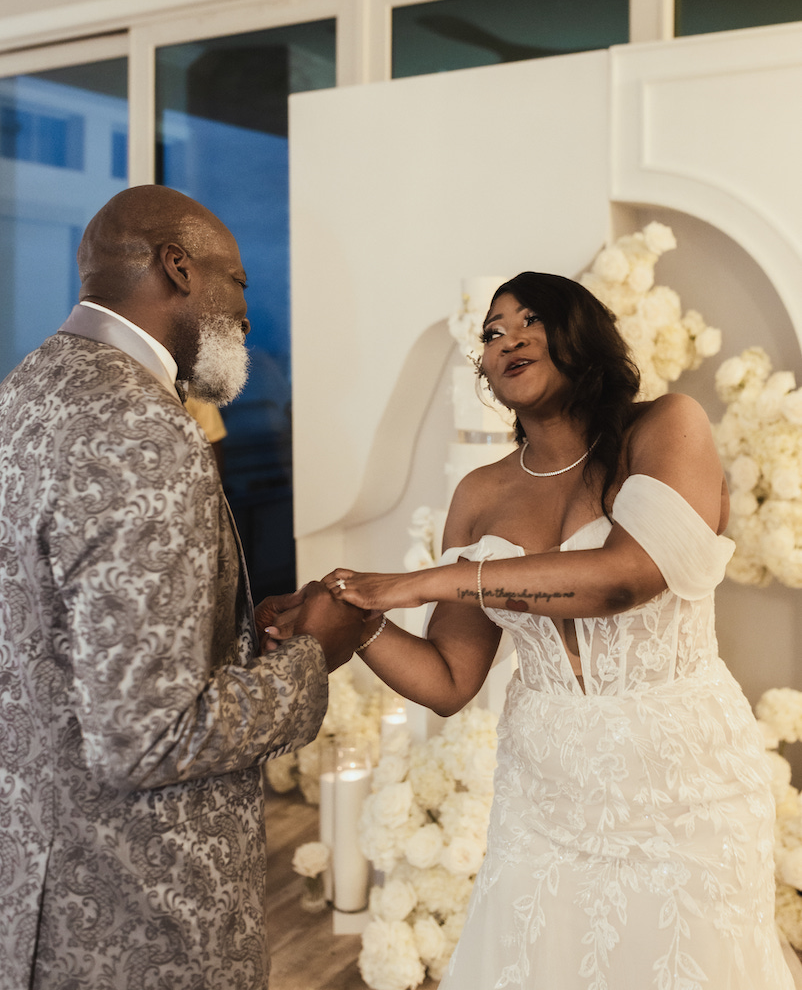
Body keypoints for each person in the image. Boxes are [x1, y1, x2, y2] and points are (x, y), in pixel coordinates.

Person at [318, 271, 797, 988]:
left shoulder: (665, 428)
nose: (508, 339)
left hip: (686, 788)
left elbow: (626, 577)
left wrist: (424, 581)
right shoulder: (479, 494)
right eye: (492, 332)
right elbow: (449, 680)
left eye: (530, 320)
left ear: (580, 331)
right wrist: (354, 618)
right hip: (543, 798)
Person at [0, 184, 364, 990]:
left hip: (30, 882)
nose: (248, 314)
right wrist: (313, 655)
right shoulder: (141, 427)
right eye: (238, 283)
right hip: (134, 910)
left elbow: (58, 634)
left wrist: (228, 634)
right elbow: (147, 736)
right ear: (178, 267)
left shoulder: (26, 392)